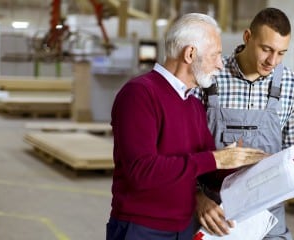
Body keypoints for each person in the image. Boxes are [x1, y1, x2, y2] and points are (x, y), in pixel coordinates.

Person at [107, 13, 268, 240]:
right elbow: (141, 171)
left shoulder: (192, 104)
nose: (220, 65)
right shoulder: (139, 94)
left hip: (184, 227)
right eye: (216, 56)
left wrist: (250, 165)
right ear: (190, 54)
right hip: (141, 228)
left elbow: (209, 172)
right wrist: (217, 158)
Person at [194, 7, 294, 240]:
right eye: (266, 49)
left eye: (281, 53)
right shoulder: (210, 77)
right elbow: (185, 148)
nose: (272, 61)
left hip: (268, 214)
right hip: (215, 213)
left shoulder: (291, 84)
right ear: (247, 37)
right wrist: (196, 196)